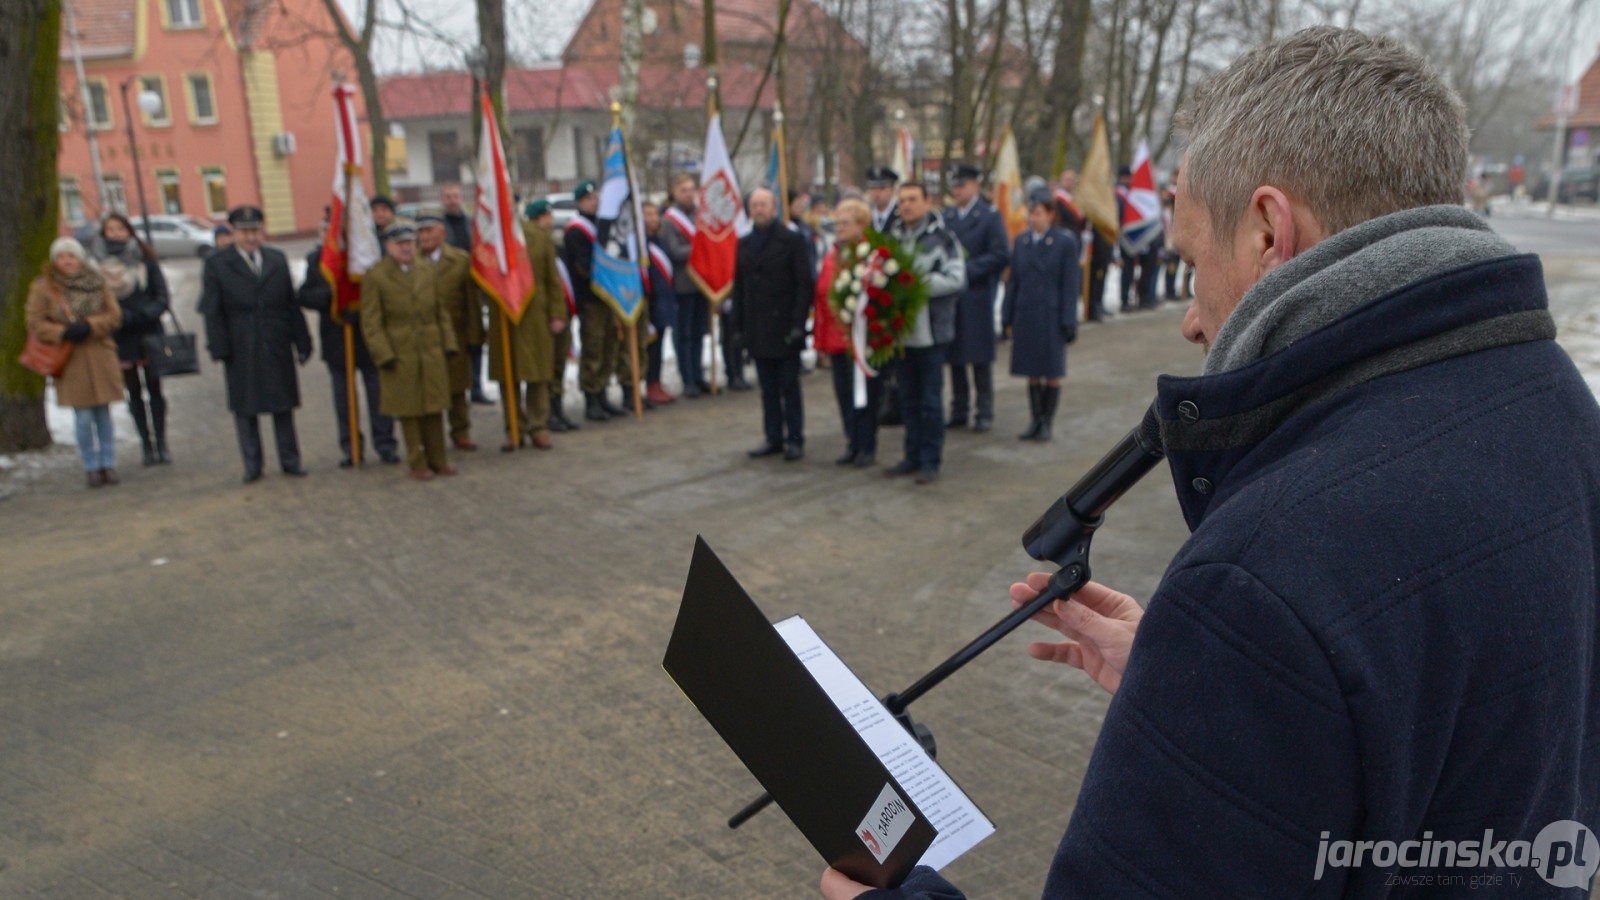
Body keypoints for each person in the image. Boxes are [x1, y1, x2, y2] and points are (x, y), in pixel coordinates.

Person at [821, 27, 1600, 899]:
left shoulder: (1264, 571)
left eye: (1191, 263)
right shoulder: (1559, 406)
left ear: (1270, 232)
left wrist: (1241, 655)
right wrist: (1227, 698)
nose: (1192, 321)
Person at [199, 206, 312, 483]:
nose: (250, 237)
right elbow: (212, 311)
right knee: (245, 406)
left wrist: (302, 339)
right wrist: (220, 347)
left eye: (255, 231)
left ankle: (290, 459)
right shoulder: (217, 264)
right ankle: (252, 463)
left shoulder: (276, 258)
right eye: (244, 232)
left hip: (276, 339)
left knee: (282, 403)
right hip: (241, 342)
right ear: (234, 233)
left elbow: (290, 303)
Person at [299, 214, 400, 468]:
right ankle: (351, 446)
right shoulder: (319, 260)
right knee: (344, 400)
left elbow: (387, 292)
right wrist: (334, 298)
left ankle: (385, 444)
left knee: (379, 395)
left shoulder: (369, 257)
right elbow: (304, 295)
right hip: (337, 339)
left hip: (369, 337)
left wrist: (361, 306)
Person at [360, 223, 458, 480]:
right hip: (400, 351)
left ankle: (439, 460)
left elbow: (441, 312)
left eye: (410, 243)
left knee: (434, 406)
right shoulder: (377, 276)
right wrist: (384, 354)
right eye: (400, 244)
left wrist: (448, 344)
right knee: (410, 409)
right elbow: (371, 322)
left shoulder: (427, 270)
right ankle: (417, 461)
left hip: (430, 348)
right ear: (388, 247)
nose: (406, 248)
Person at [885, 182, 966, 485]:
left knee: (930, 400)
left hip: (931, 332)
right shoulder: (891, 238)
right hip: (901, 334)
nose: (906, 206)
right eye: (902, 200)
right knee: (907, 398)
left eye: (912, 200)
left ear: (926, 202)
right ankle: (911, 454)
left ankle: (931, 460)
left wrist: (917, 283)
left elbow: (957, 278)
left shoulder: (942, 238)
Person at [26, 238, 124, 487]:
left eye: (72, 256)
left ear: (80, 258)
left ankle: (108, 464)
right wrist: (62, 332)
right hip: (70, 358)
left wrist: (91, 326)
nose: (67, 261)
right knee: (82, 417)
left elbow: (114, 315)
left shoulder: (96, 281)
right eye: (62, 257)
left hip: (99, 353)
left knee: (103, 413)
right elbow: (35, 323)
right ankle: (91, 466)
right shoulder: (44, 287)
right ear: (55, 261)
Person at [733, 187, 812, 461]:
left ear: (775, 208)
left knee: (789, 386)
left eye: (764, 204)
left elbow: (804, 285)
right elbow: (739, 289)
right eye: (754, 205)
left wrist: (798, 323)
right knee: (767, 388)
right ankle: (773, 436)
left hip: (785, 325)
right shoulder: (743, 244)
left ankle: (795, 438)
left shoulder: (791, 240)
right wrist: (738, 328)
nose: (759, 209)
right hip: (757, 327)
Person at [488, 197, 570, 451]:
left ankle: (539, 427)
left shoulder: (538, 236)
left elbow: (552, 279)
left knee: (538, 372)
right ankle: (514, 428)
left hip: (535, 313)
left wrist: (557, 313)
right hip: (503, 316)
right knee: (507, 375)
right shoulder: (487, 239)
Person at [92, 213, 172, 465]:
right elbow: (95, 302)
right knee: (133, 392)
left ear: (129, 231)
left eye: (120, 228)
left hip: (149, 331)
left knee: (155, 389)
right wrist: (119, 317)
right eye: (110, 229)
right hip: (120, 335)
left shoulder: (145, 259)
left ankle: (162, 443)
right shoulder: (96, 266)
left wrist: (146, 313)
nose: (116, 233)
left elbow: (162, 295)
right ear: (104, 234)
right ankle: (146, 446)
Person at [1003, 191, 1080, 442]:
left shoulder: (1064, 242)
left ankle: (1047, 422)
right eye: (1030, 212)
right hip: (1026, 314)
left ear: (1050, 214)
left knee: (1051, 371)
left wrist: (1069, 320)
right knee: (1032, 370)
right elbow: (1013, 282)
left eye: (1037, 213)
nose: (1032, 218)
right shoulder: (1022, 241)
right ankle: (1034, 420)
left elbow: (1070, 284)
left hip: (1051, 315)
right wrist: (1007, 314)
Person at [942, 162, 1010, 433]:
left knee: (979, 358)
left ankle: (984, 411)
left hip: (977, 294)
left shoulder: (989, 216)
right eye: (955, 185)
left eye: (962, 185)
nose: (957, 190)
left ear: (975, 186)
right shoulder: (947, 216)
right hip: (952, 297)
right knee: (955, 356)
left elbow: (1001, 254)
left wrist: (965, 270)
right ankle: (959, 408)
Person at [813, 198, 881, 467]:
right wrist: (820, 341)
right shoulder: (832, 255)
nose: (839, 227)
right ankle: (852, 442)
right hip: (835, 337)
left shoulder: (869, 255)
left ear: (861, 225)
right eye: (837, 222)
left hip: (862, 338)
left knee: (864, 394)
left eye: (845, 223)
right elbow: (822, 296)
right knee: (843, 393)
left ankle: (867, 445)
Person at [417, 209, 481, 451]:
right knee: (428, 390)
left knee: (457, 388)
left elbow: (472, 303)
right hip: (424, 339)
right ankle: (429, 438)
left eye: (429, 230)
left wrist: (475, 337)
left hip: (456, 334)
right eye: (420, 231)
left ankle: (461, 431)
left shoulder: (460, 261)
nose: (424, 236)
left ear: (442, 233)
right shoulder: (411, 263)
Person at [563, 180, 627, 422]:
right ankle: (591, 394)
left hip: (607, 295)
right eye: (590, 199)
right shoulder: (576, 230)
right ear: (580, 202)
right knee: (593, 345)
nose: (595, 202)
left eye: (597, 198)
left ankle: (602, 391)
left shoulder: (601, 225)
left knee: (609, 344)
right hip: (591, 297)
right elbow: (583, 265)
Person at [528, 199, 581, 433]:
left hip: (562, 314)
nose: (548, 222)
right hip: (543, 318)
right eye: (543, 218)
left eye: (549, 217)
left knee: (559, 364)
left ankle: (558, 408)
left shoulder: (555, 245)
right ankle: (547, 412)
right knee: (547, 366)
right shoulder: (530, 250)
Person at [440, 182, 494, 406]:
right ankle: (455, 388)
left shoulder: (472, 224)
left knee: (475, 339)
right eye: (448, 196)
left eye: (455, 195)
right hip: (450, 291)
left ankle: (477, 387)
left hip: (473, 288)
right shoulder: (439, 227)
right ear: (442, 199)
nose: (453, 200)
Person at [661, 173, 712, 397]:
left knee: (699, 331)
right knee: (684, 334)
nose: (689, 194)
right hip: (682, 284)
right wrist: (700, 248)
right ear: (674, 193)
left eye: (692, 189)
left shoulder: (700, 215)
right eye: (684, 190)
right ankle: (687, 378)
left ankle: (699, 374)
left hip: (702, 282)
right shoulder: (669, 220)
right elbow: (674, 251)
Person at [641, 200, 678, 406]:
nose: (653, 218)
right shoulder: (639, 242)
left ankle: (656, 380)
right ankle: (648, 383)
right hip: (649, 299)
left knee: (660, 342)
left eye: (655, 214)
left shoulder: (660, 239)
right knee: (649, 344)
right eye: (648, 214)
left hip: (663, 298)